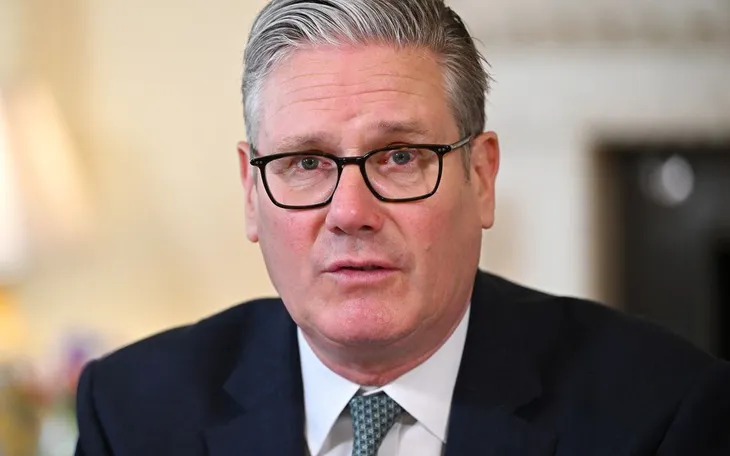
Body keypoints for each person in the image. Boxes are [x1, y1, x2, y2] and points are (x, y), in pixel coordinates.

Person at [74, 1, 730, 455]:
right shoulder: (132, 413)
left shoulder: (659, 412)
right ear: (251, 191)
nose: (350, 212)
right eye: (306, 162)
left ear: (481, 176)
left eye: (399, 157)